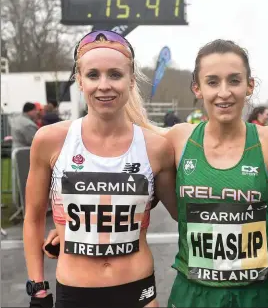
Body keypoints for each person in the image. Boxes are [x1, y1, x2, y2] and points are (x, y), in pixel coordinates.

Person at [23, 30, 177, 308]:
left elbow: (184, 214)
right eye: (93, 75)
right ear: (79, 80)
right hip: (75, 291)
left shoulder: (156, 147)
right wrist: (38, 289)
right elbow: (33, 219)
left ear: (131, 81)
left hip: (138, 290)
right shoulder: (50, 140)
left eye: (115, 75)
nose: (104, 85)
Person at [163, 39, 268, 308]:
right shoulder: (177, 139)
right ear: (197, 87)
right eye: (212, 82)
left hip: (257, 294)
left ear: (249, 85)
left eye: (234, 80)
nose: (224, 92)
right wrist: (64, 227)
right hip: (193, 293)